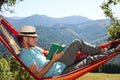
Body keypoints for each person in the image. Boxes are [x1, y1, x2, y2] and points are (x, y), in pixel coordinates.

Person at [18, 26, 120, 78]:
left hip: (59, 62)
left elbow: (44, 52)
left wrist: (54, 52)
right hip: (61, 72)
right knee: (88, 60)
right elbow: (38, 75)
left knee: (76, 43)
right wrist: (53, 60)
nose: (36, 40)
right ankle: (114, 50)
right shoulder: (25, 54)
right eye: (33, 38)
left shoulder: (33, 48)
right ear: (25, 38)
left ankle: (101, 49)